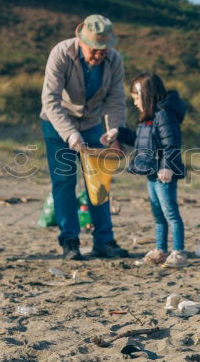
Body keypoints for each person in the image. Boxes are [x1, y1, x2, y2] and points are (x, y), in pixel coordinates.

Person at [40, 14, 129, 260]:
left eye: (104, 50)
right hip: (57, 124)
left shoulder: (114, 61)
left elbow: (116, 101)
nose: (99, 55)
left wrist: (115, 133)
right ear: (81, 40)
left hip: (92, 124)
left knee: (99, 184)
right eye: (94, 50)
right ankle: (70, 242)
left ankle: (104, 241)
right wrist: (69, 134)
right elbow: (50, 100)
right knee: (64, 183)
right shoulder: (61, 53)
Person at [104, 73, 188, 268]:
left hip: (164, 175)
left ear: (147, 95)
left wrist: (167, 167)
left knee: (170, 213)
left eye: (136, 98)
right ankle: (160, 249)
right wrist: (118, 132)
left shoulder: (164, 115)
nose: (134, 103)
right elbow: (140, 141)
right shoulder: (148, 118)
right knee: (157, 213)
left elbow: (172, 144)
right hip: (152, 173)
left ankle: (178, 252)